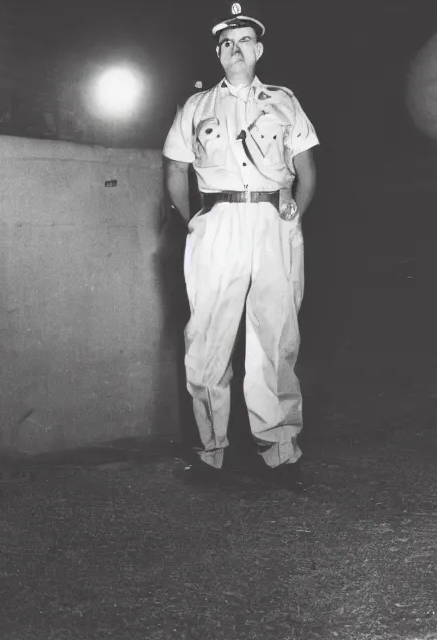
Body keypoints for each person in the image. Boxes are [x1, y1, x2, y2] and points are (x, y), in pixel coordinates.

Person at [162, 1, 320, 492]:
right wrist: (197, 223)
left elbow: (307, 168)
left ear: (259, 49)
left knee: (275, 336)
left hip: (273, 221)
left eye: (244, 41)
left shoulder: (284, 101)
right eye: (227, 43)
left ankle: (279, 450)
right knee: (207, 337)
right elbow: (174, 171)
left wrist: (293, 213)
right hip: (219, 220)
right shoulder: (196, 107)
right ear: (218, 53)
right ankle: (210, 453)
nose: (236, 49)